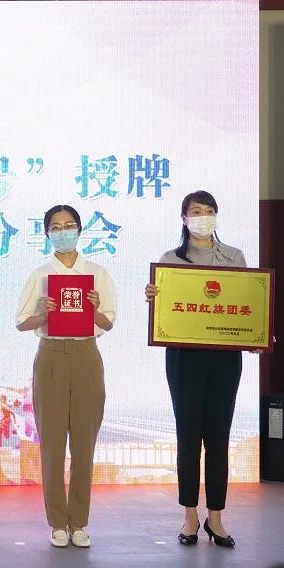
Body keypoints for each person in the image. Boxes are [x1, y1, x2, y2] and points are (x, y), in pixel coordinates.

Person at [144, 190, 244, 548]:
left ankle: (216, 517)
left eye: (209, 210)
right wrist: (154, 299)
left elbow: (246, 302)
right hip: (183, 358)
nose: (203, 216)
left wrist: (259, 330)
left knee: (218, 437)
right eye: (196, 211)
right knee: (188, 436)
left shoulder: (234, 257)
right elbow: (166, 314)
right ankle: (189, 516)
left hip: (225, 358)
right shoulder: (170, 260)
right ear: (184, 219)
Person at [16, 204, 116, 548]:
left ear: (79, 230)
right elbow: (22, 323)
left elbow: (107, 323)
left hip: (86, 355)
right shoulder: (41, 275)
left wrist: (94, 308)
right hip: (51, 357)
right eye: (56, 227)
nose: (63, 232)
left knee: (84, 445)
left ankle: (80, 522)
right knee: (53, 446)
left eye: (69, 225)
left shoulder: (97, 273)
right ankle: (58, 522)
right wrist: (42, 313)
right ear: (47, 234)